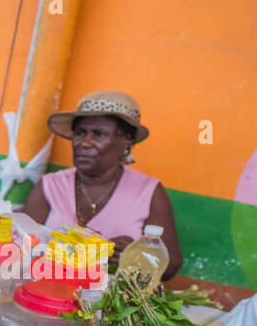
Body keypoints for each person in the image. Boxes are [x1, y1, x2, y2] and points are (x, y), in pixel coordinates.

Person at [23, 90, 182, 279]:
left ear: (127, 139)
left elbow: (171, 264)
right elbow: (20, 245)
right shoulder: (50, 186)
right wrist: (80, 251)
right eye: (80, 133)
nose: (85, 143)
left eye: (98, 134)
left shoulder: (148, 192)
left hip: (107, 302)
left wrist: (135, 254)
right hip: (45, 290)